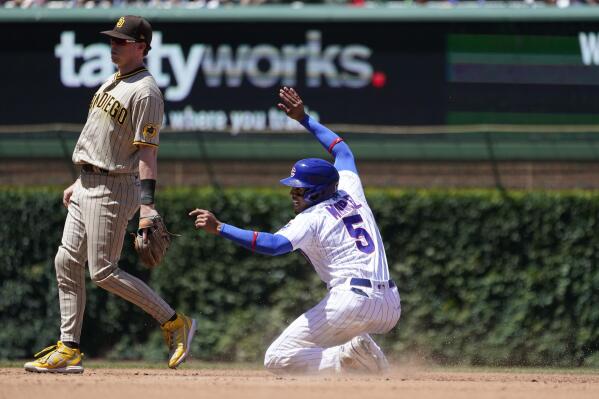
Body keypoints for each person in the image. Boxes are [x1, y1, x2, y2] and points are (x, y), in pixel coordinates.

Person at [24, 16, 196, 374]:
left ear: (142, 47)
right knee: (66, 261)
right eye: (113, 40)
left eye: (122, 41)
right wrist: (80, 178)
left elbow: (148, 152)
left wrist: (147, 205)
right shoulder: (112, 82)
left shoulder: (146, 92)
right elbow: (99, 137)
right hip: (89, 182)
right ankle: (69, 348)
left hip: (116, 188)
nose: (113, 45)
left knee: (102, 271)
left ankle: (174, 322)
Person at [189, 87, 401, 374]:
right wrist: (304, 119)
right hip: (390, 304)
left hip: (351, 302)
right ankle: (360, 349)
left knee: (277, 358)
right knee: (340, 334)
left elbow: (274, 245)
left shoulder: (312, 217)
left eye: (299, 189)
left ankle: (348, 359)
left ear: (316, 192)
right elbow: (342, 150)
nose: (293, 194)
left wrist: (221, 227)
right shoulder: (351, 190)